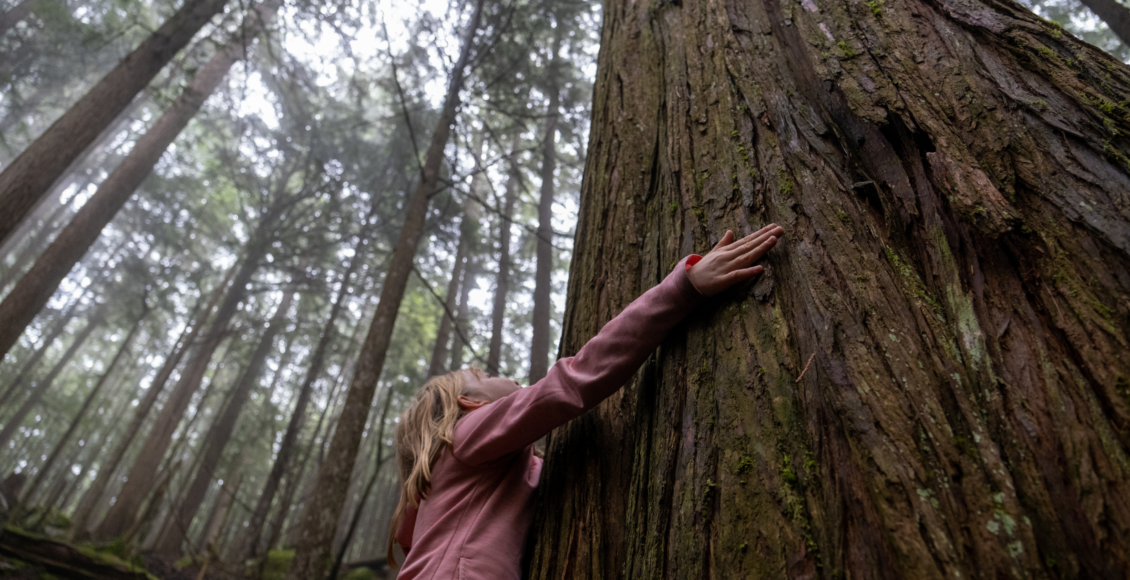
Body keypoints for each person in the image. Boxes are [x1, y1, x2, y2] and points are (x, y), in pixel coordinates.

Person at [388, 224, 786, 579]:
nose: (505, 376)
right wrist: (683, 288)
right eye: (485, 376)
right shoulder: (465, 438)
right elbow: (572, 380)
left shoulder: (458, 482)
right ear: (469, 405)